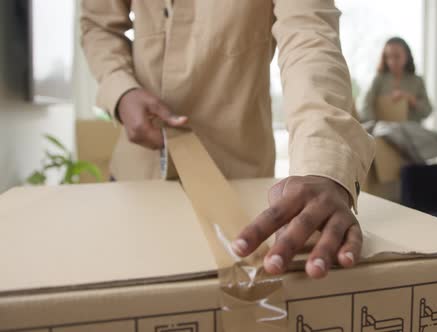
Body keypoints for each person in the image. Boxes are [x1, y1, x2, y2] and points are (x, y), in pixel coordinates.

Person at [80, 1, 374, 279]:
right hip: (137, 175)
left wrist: (323, 165)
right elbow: (98, 25)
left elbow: (309, 37)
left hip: (239, 185)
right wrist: (120, 89)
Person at [362, 37, 432, 123]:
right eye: (388, 57)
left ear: (407, 56)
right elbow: (366, 106)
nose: (392, 61)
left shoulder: (417, 81)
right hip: (383, 130)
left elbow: (427, 111)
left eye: (397, 56)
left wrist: (410, 99)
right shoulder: (379, 80)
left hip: (410, 131)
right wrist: (372, 126)